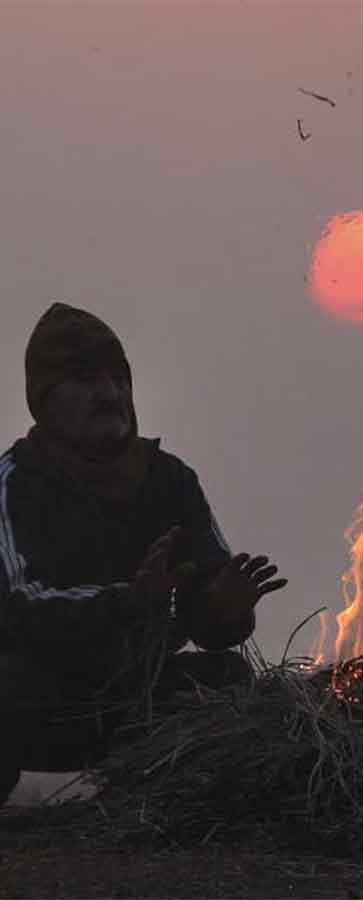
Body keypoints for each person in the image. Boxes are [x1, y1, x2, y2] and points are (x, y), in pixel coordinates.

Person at [0, 302, 289, 805]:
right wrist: (129, 602)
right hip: (42, 696)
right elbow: (23, 605)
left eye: (118, 378)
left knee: (234, 685)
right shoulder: (15, 483)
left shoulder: (170, 479)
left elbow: (207, 621)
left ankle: (159, 799)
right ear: (46, 400)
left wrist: (225, 607)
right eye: (86, 380)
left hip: (136, 697)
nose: (109, 394)